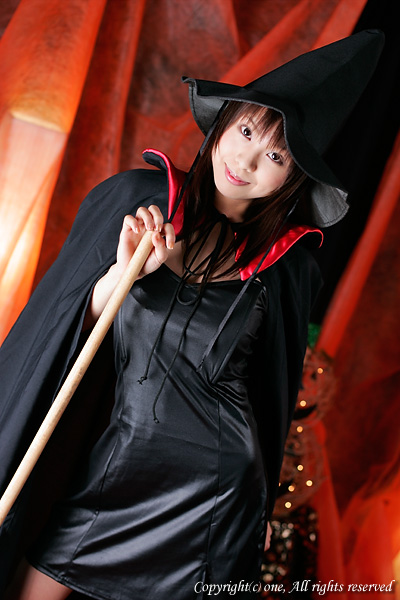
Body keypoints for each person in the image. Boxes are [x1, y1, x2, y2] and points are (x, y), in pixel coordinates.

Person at [0, 29, 384, 600]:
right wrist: (124, 271)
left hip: (213, 494)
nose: (247, 160)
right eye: (247, 131)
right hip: (113, 464)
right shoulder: (138, 202)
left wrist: (253, 503)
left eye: (276, 155)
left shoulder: (286, 270)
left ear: (293, 175)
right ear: (225, 122)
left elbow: (269, 391)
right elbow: (65, 324)